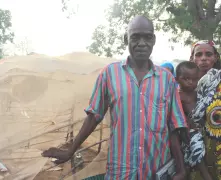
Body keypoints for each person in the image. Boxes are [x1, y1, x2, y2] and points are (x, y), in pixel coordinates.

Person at [42, 15, 187, 180]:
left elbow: (174, 127)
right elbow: (93, 117)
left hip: (155, 170)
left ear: (153, 40)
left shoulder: (166, 79)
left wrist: (181, 170)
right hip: (121, 171)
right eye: (135, 37)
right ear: (126, 39)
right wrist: (71, 150)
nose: (141, 43)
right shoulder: (109, 74)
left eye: (147, 37)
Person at [189, 40, 221, 179]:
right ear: (192, 58)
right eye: (199, 54)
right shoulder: (184, 86)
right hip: (193, 150)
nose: (203, 58)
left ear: (216, 57)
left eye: (208, 54)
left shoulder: (219, 81)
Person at [175, 61, 212, 180]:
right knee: (196, 144)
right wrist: (187, 123)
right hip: (187, 130)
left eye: (194, 79)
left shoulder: (199, 94)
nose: (191, 82)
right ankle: (206, 175)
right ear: (176, 79)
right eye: (186, 79)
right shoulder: (177, 95)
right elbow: (177, 115)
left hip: (203, 127)